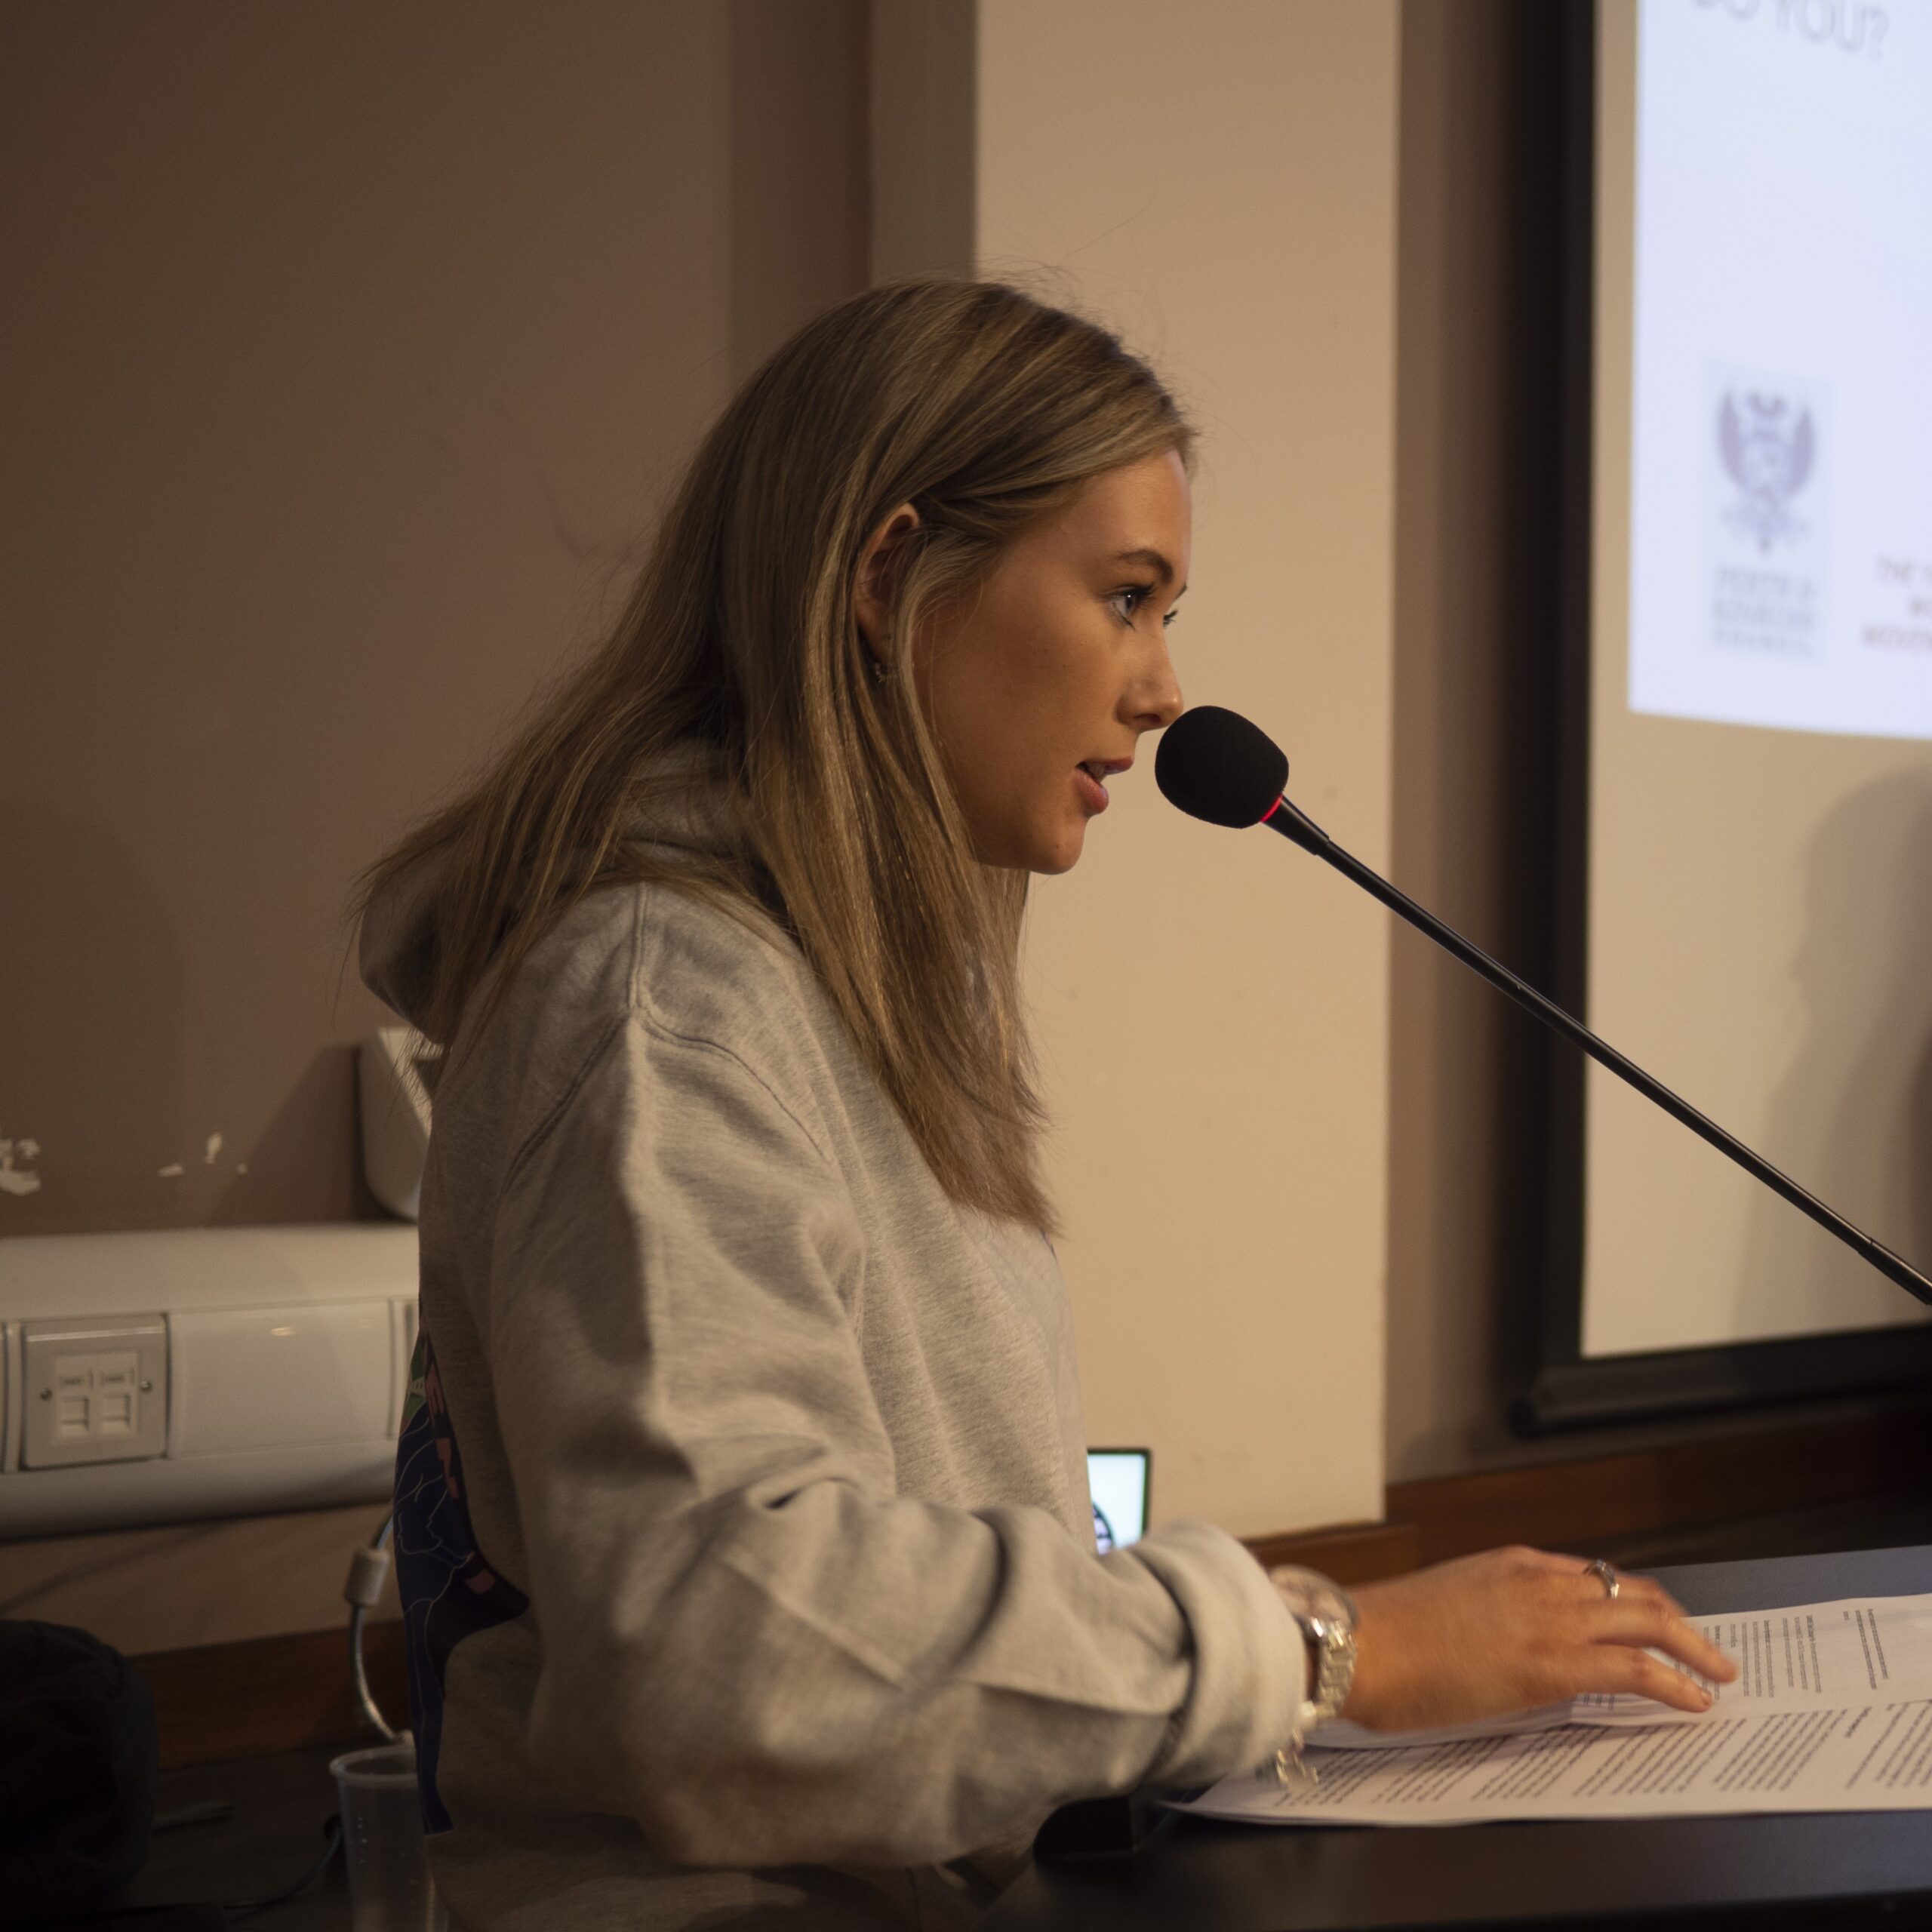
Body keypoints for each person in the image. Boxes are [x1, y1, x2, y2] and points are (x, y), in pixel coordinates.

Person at [355, 279, 1734, 1931]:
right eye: (1127, 597)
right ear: (886, 577)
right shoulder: (665, 1008)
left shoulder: (839, 988)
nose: (1161, 690)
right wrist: (1325, 1646)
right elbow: (725, 1649)